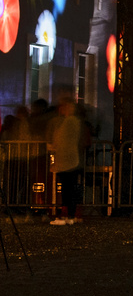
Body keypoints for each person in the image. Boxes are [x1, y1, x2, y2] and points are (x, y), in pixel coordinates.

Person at [46, 95, 89, 225]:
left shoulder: (69, 122)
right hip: (71, 160)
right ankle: (70, 215)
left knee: (67, 189)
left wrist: (53, 147)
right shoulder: (74, 121)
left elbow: (62, 141)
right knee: (70, 188)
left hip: (68, 160)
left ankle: (67, 215)